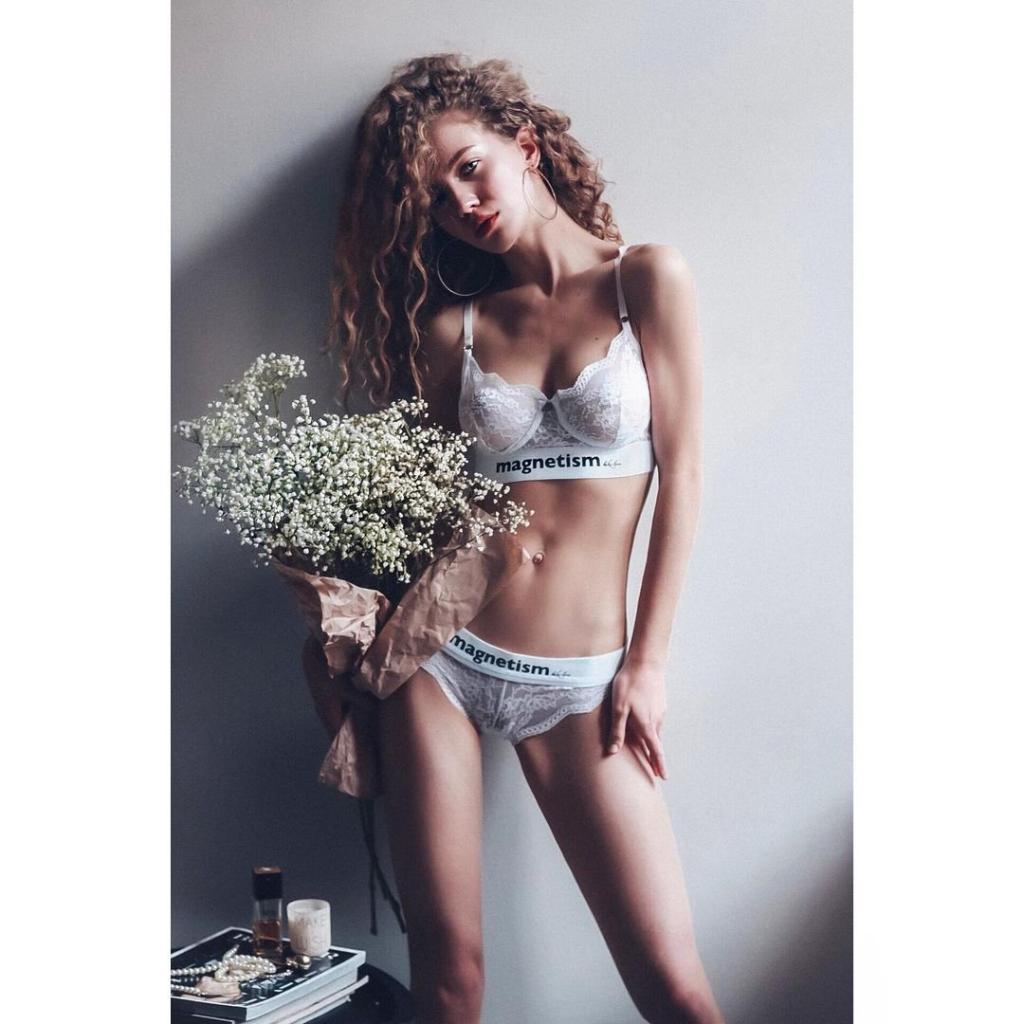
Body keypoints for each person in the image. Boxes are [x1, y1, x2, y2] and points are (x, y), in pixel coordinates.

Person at [326, 53, 723, 1024]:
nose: (461, 203)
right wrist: (341, 623)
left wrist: (648, 663)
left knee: (673, 988)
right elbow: (423, 511)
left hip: (583, 681)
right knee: (452, 979)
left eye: (469, 168)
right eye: (434, 196)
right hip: (441, 659)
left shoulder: (645, 280)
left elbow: (683, 478)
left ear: (526, 147)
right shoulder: (451, 332)